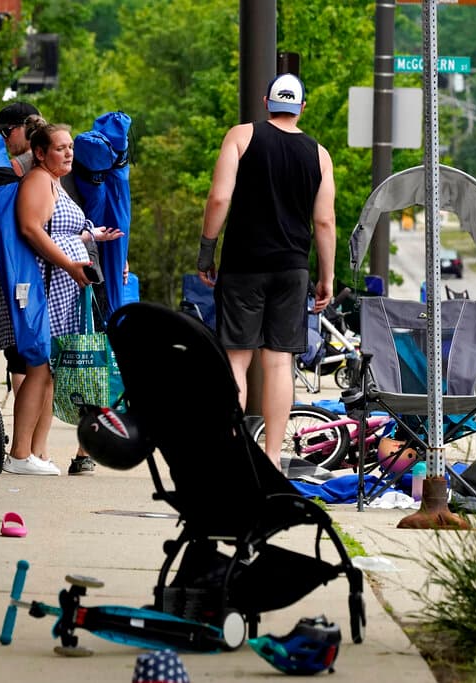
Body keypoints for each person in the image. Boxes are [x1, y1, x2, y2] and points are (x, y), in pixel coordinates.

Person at [197, 73, 337, 469]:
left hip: (243, 265)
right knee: (279, 364)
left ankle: (229, 455)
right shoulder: (319, 154)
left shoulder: (241, 136)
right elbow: (324, 221)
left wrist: (207, 251)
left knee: (236, 362)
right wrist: (325, 276)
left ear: (266, 102)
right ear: (302, 108)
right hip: (292, 269)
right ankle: (273, 457)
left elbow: (219, 196)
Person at [0, 116, 123, 475]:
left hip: (60, 288)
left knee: (46, 370)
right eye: (60, 148)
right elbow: (31, 229)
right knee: (37, 367)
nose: (68, 153)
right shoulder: (38, 181)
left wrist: (91, 237)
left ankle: (32, 452)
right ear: (40, 153)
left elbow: (57, 228)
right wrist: (71, 265)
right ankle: (19, 455)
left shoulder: (53, 182)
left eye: (70, 147)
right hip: (44, 286)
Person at [0, 101, 42, 396]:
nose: (5, 140)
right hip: (53, 266)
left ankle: (23, 441)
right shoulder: (58, 160)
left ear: (24, 129)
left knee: (21, 359)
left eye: (7, 132)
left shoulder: (19, 167)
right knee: (40, 361)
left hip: (21, 268)